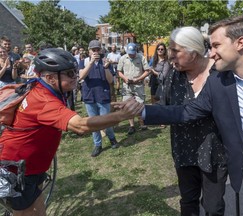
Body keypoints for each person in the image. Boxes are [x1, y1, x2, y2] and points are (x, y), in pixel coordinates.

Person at [137, 15, 243, 216]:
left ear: (240, 43)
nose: (211, 53)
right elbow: (186, 111)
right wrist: (142, 110)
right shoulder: (218, 84)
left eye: (216, 45)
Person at [0, 48, 142, 216]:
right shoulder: (44, 100)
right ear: (50, 78)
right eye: (69, 73)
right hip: (19, 170)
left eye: (75, 71)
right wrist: (121, 116)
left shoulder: (45, 89)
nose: (76, 76)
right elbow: (80, 125)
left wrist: (112, 106)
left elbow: (68, 114)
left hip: (31, 166)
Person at [160, 27, 227, 216]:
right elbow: (166, 107)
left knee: (213, 208)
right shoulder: (174, 76)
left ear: (193, 51)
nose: (170, 55)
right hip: (184, 150)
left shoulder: (220, 74)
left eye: (175, 50)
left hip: (214, 152)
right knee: (188, 202)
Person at [79, 40, 119, 157]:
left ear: (101, 50)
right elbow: (81, 76)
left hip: (103, 95)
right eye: (93, 50)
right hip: (89, 96)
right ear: (89, 51)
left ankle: (112, 138)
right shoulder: (84, 62)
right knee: (93, 123)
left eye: (97, 49)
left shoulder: (105, 62)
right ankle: (97, 144)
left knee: (106, 121)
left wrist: (106, 68)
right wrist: (91, 63)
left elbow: (111, 80)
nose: (96, 52)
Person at [117, 42, 150, 135]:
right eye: (129, 53)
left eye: (132, 52)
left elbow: (147, 71)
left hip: (138, 85)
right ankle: (131, 126)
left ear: (136, 51)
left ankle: (142, 123)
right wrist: (125, 78)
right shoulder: (123, 58)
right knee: (128, 106)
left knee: (140, 104)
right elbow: (119, 71)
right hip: (127, 86)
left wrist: (138, 79)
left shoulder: (141, 57)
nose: (131, 54)